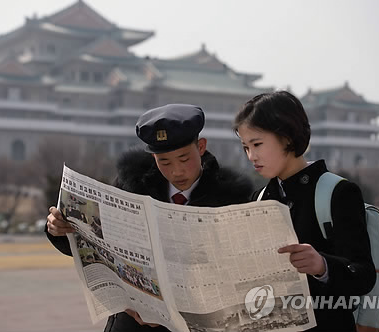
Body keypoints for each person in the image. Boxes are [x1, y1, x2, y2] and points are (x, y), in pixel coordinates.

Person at [46, 104, 254, 332]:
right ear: (153, 157)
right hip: (131, 323)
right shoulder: (131, 186)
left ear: (201, 147)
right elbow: (97, 244)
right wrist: (60, 229)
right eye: (164, 162)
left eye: (184, 159)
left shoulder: (232, 198)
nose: (176, 171)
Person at [233, 91, 376, 332]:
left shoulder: (337, 192)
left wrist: (323, 266)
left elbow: (364, 275)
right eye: (245, 147)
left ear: (287, 137)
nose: (251, 156)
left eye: (257, 144)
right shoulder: (258, 198)